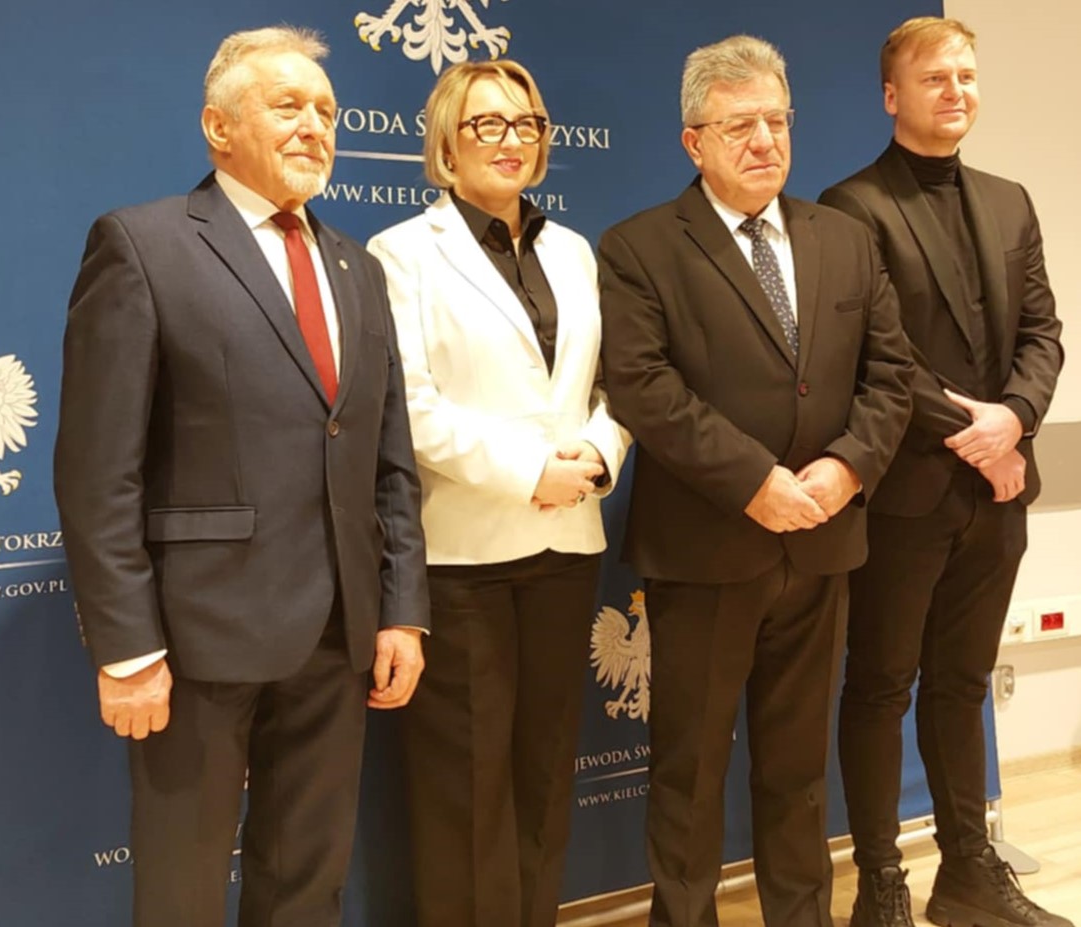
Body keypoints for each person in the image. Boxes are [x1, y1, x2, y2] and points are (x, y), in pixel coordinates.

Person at [52, 26, 428, 927]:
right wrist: (127, 651)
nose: (315, 126)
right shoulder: (142, 245)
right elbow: (97, 469)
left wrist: (402, 606)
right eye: (288, 105)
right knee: (181, 889)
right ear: (218, 127)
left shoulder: (359, 268)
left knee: (308, 881)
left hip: (340, 636)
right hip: (197, 640)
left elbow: (389, 455)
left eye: (327, 111)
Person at [598, 34, 914, 927]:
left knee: (798, 768)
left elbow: (892, 376)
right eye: (740, 125)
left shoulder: (844, 239)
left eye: (777, 120)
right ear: (693, 141)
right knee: (690, 769)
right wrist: (754, 481)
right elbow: (644, 387)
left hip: (822, 542)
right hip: (705, 549)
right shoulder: (639, 247)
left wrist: (848, 467)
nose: (765, 140)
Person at [366, 59, 630, 927]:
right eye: (487, 123)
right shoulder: (403, 253)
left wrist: (597, 454)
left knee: (545, 776)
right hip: (465, 557)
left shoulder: (573, 251)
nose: (511, 139)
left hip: (567, 545)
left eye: (526, 123)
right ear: (447, 140)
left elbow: (613, 386)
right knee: (466, 789)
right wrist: (528, 473)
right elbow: (409, 409)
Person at [819, 16, 1067, 927]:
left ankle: (966, 872)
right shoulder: (852, 208)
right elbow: (878, 356)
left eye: (966, 74)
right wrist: (982, 434)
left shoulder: (1010, 202)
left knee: (963, 684)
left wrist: (1017, 419)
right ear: (892, 96)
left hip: (999, 493)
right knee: (881, 686)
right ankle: (881, 881)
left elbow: (1042, 332)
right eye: (934, 78)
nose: (955, 90)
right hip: (905, 494)